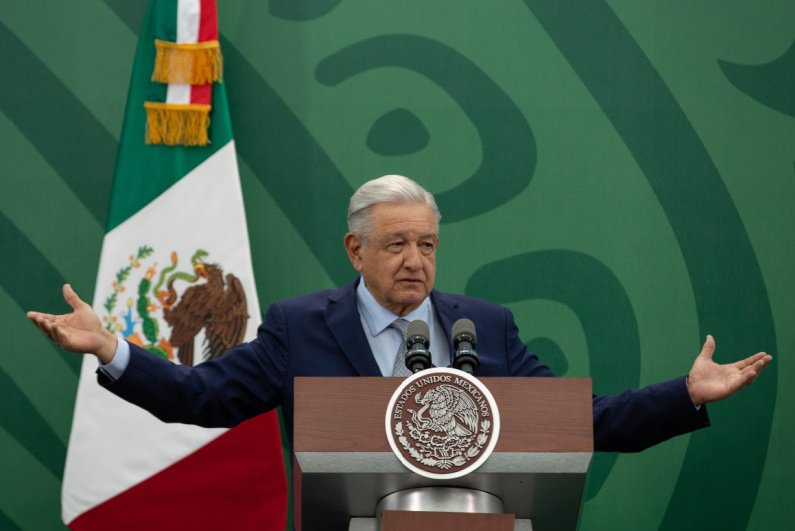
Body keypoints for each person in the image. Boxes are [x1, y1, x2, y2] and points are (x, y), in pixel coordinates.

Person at [27, 175, 771, 453]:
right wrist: (112, 350)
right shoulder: (299, 327)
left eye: (427, 244)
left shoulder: (485, 327)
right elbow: (201, 397)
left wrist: (684, 392)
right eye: (395, 244)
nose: (414, 259)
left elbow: (582, 422)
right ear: (355, 249)